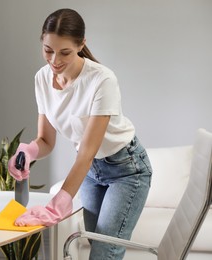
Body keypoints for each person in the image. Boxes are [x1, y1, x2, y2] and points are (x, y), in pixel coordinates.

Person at [8, 8, 152, 259]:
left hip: (126, 170)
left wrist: (59, 202)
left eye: (64, 52)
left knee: (104, 252)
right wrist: (29, 150)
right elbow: (46, 140)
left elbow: (87, 151)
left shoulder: (101, 80)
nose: (54, 60)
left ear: (81, 44)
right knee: (91, 244)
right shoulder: (42, 79)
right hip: (92, 172)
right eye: (47, 50)